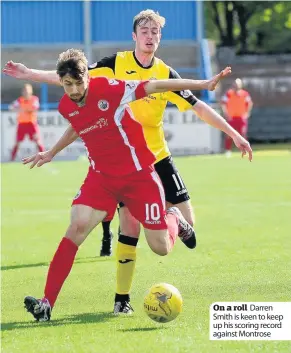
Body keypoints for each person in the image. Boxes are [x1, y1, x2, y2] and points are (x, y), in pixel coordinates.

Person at [2, 10, 252, 316]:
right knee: (87, 227)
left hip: (145, 166)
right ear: (134, 36)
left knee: (161, 244)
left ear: (160, 37)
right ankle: (61, 303)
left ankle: (173, 219)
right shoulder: (97, 78)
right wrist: (50, 146)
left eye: (154, 32)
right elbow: (76, 102)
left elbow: (169, 93)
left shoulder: (127, 84)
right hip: (104, 175)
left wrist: (207, 89)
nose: (73, 91)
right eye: (144, 31)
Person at [9, 83, 44, 161]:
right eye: (24, 91)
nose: (26, 92)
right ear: (22, 92)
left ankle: (44, 157)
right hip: (21, 124)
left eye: (27, 91)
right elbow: (11, 107)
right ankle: (11, 159)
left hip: (31, 124)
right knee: (17, 142)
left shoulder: (34, 99)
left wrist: (25, 110)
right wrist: (18, 109)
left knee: (38, 141)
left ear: (31, 91)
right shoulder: (20, 100)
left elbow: (35, 108)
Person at [221, 78, 253, 157]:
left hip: (241, 118)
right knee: (229, 134)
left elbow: (250, 103)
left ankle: (244, 150)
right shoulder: (229, 93)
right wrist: (226, 113)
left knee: (242, 134)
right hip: (231, 118)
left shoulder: (245, 94)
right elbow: (223, 103)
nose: (236, 86)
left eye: (238, 84)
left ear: (241, 85)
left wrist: (247, 113)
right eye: (235, 84)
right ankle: (228, 151)